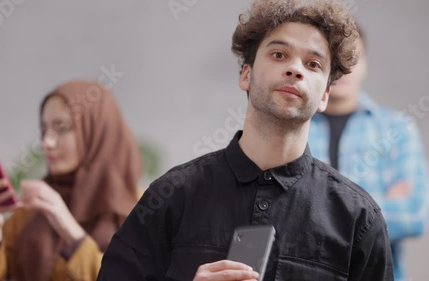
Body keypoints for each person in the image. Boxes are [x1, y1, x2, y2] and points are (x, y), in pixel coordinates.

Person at [97, 0, 394, 280]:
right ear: (246, 76)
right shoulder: (171, 196)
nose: (295, 70)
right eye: (279, 55)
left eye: (313, 64)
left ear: (325, 96)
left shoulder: (358, 219)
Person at [0, 80, 142, 281]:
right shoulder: (33, 206)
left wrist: (70, 230)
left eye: (61, 128)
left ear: (95, 131)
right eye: (44, 130)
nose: (47, 142)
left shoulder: (139, 209)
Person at [308, 26, 429, 281]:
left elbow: (414, 215)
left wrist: (318, 216)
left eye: (353, 57)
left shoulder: (397, 128)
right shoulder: (296, 128)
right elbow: (278, 212)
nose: (344, 68)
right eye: (335, 58)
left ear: (366, 64)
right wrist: (372, 210)